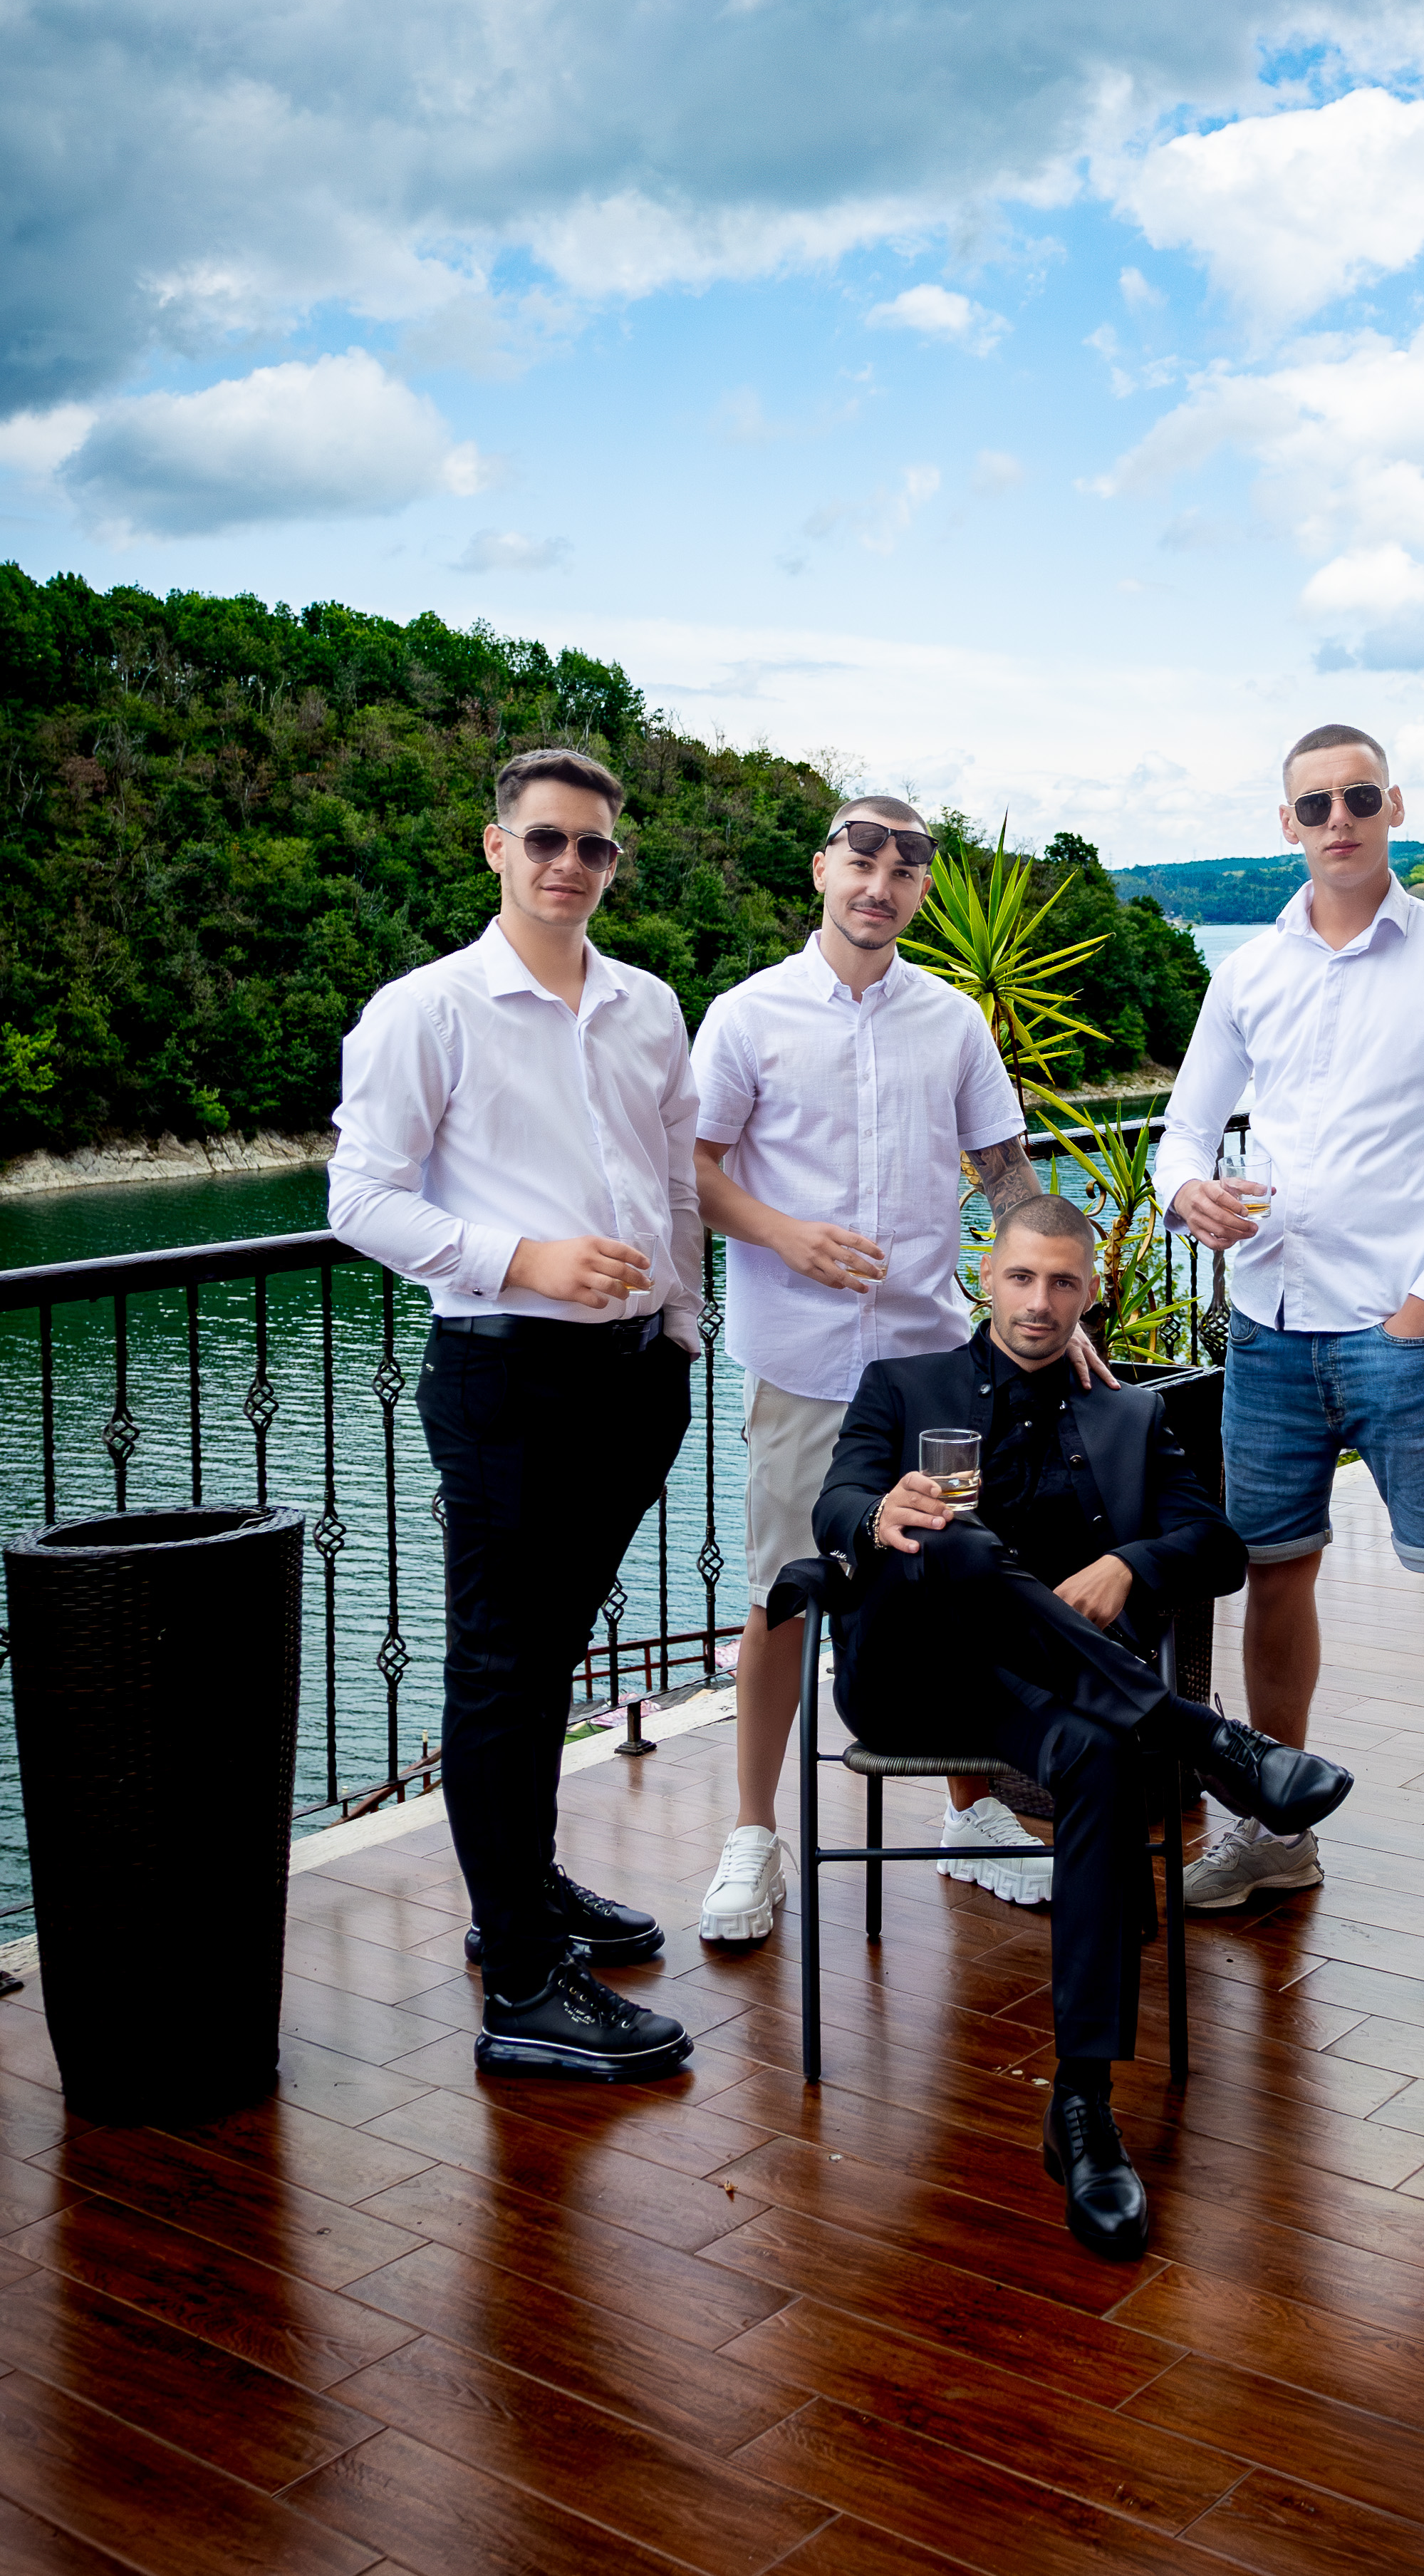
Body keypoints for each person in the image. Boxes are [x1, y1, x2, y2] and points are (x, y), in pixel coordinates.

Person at [801, 1191, 1353, 2257]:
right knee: (955, 1540)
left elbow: (1217, 1547)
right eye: (1020, 1277)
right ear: (986, 1277)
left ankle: (1084, 2107)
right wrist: (879, 1513)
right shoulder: (903, 1386)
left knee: (1100, 1755)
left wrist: (1128, 1564)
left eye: (1062, 1282)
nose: (1039, 1302)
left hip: (1049, 1698)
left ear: (1089, 1293)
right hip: (910, 1676)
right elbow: (833, 1508)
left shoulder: (1128, 1418)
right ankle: (1203, 1737)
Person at [1153, 724, 1424, 1987]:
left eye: (1360, 798)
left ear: (1394, 808)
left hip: (1397, 1332)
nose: (1339, 820)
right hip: (1270, 1328)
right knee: (1273, 1578)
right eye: (1316, 804)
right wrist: (1184, 1194)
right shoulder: (1250, 970)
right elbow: (1184, 1129)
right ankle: (1278, 1837)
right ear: (1287, 823)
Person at [328, 748, 698, 2086]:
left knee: (546, 1656)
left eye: (594, 845)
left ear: (614, 860)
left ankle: (521, 1894)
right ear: (497, 846)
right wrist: (522, 1259)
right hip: (506, 1376)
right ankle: (528, 1988)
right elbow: (358, 1199)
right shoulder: (426, 1010)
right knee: (502, 1665)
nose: (569, 863)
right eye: (545, 838)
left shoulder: (649, 1006)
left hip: (633, 1379)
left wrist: (679, 1332)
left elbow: (674, 1181)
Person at [687, 797, 1115, 1943]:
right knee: (785, 1592)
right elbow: (692, 1168)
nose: (880, 885)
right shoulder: (748, 1015)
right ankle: (754, 1835)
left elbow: (1004, 1169)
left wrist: (1050, 1295)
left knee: (956, 1586)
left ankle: (971, 1816)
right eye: (862, 862)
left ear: (922, 889)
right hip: (804, 1364)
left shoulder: (952, 1021)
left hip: (933, 1366)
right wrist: (783, 1235)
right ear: (821, 870)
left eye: (904, 869)